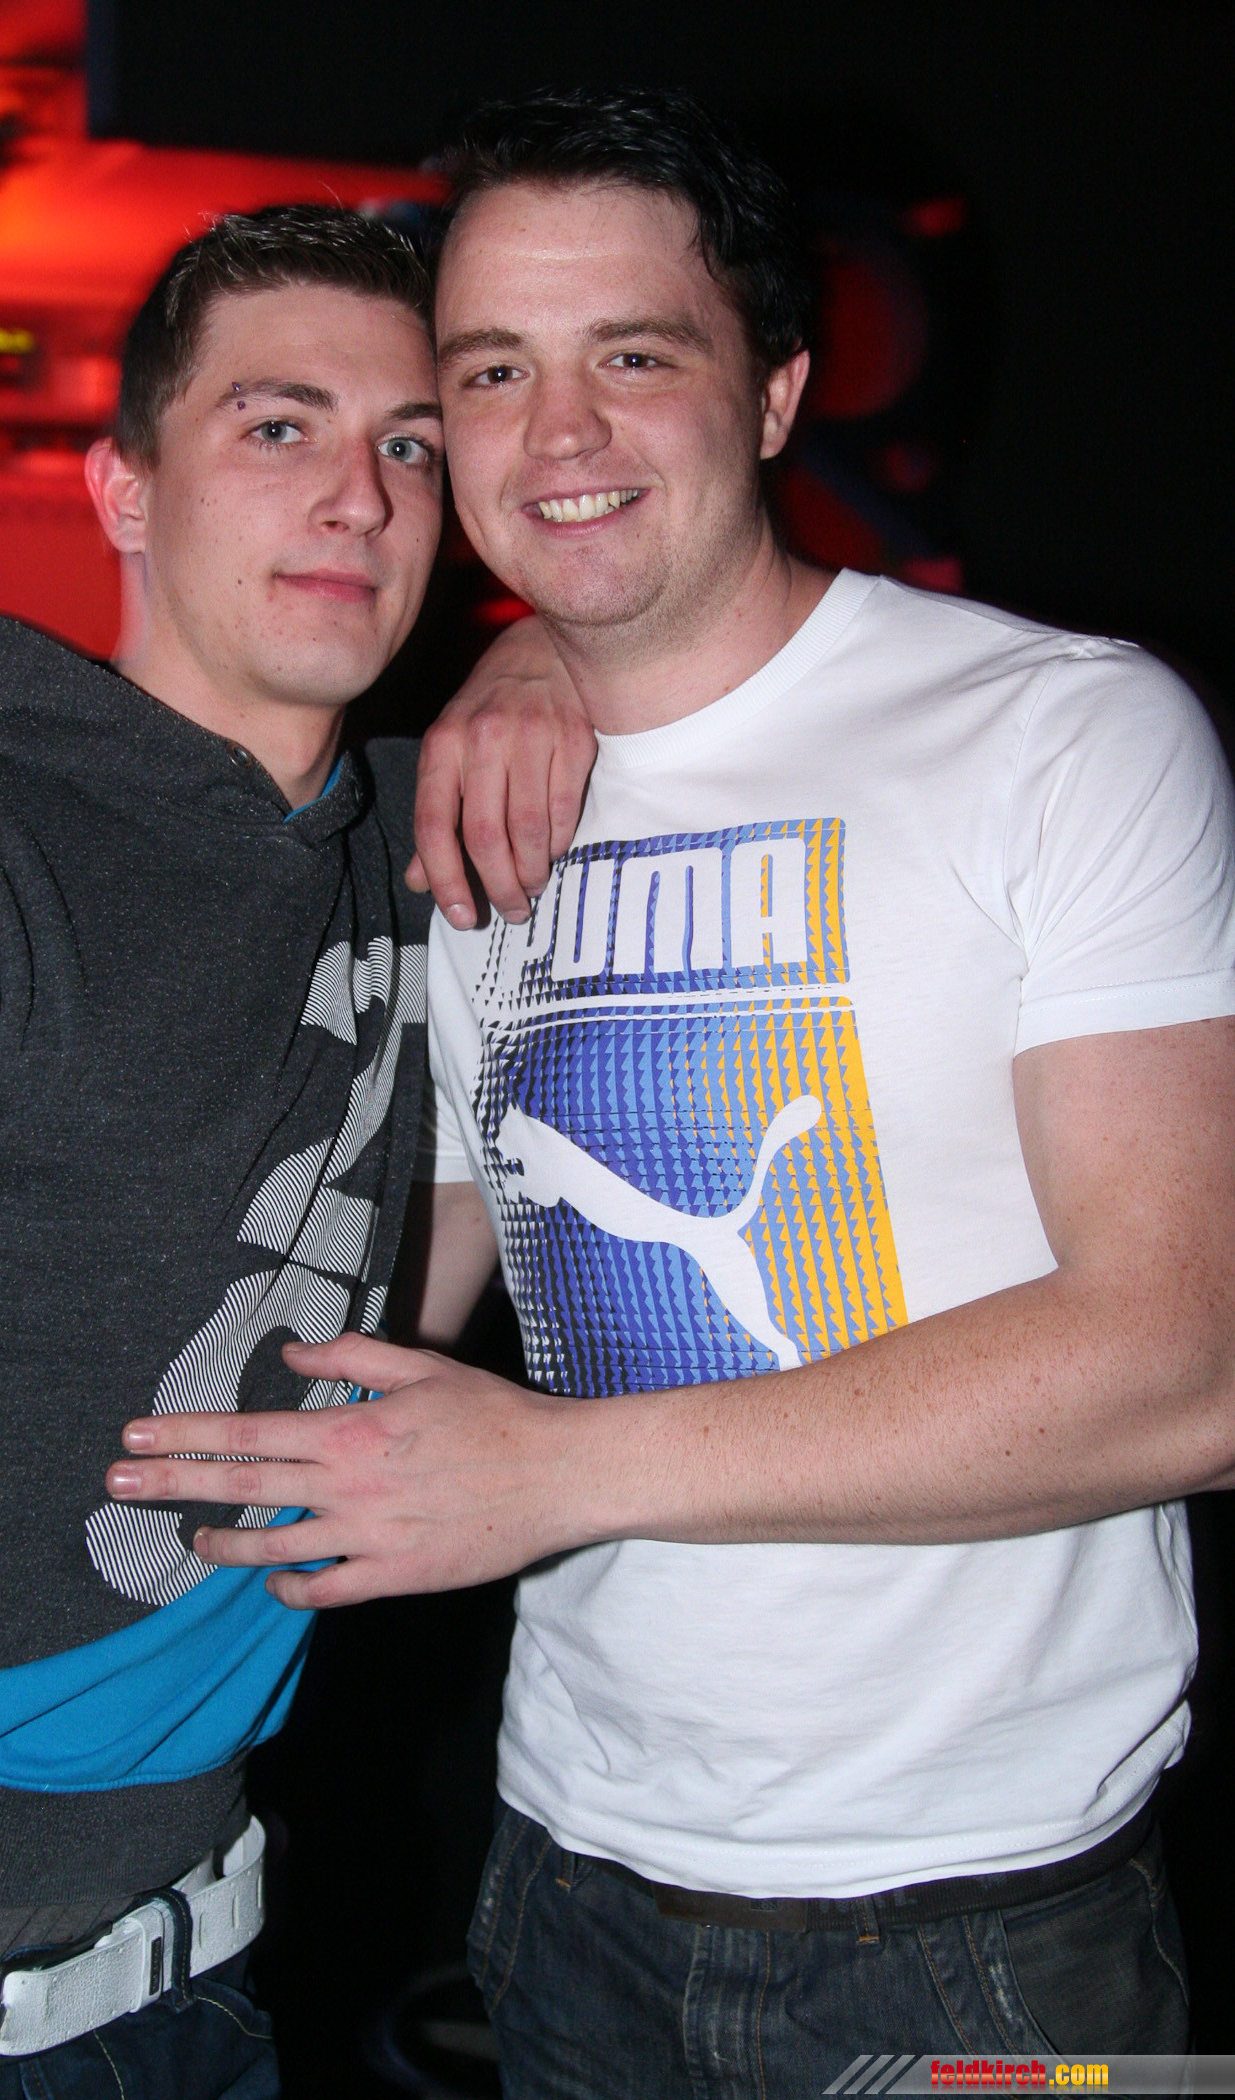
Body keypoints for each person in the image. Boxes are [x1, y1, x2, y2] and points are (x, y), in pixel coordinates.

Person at [113, 92, 1235, 2089]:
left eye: (633, 357)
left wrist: (556, 1475)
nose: (558, 436)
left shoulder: (1064, 734)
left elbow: (1195, 1366)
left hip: (995, 1925)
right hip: (563, 1882)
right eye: (492, 373)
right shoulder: (455, 809)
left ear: (778, 389)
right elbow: (408, 1269)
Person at [0, 204, 584, 2100]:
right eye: (277, 425)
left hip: (209, 1948)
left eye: (410, 443)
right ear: (124, 489)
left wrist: (542, 663)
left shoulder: (412, 828)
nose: (357, 495)